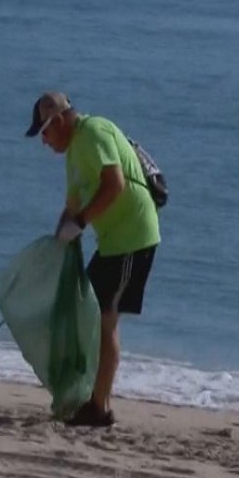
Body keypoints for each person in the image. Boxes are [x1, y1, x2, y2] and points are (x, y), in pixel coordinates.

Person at [25, 91, 160, 427]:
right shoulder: (74, 154)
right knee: (89, 315)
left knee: (105, 319)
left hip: (133, 239)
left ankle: (99, 409)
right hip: (111, 242)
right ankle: (94, 400)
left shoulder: (94, 133)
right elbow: (72, 208)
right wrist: (58, 243)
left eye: (44, 132)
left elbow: (115, 186)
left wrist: (82, 223)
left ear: (57, 121)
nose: (44, 141)